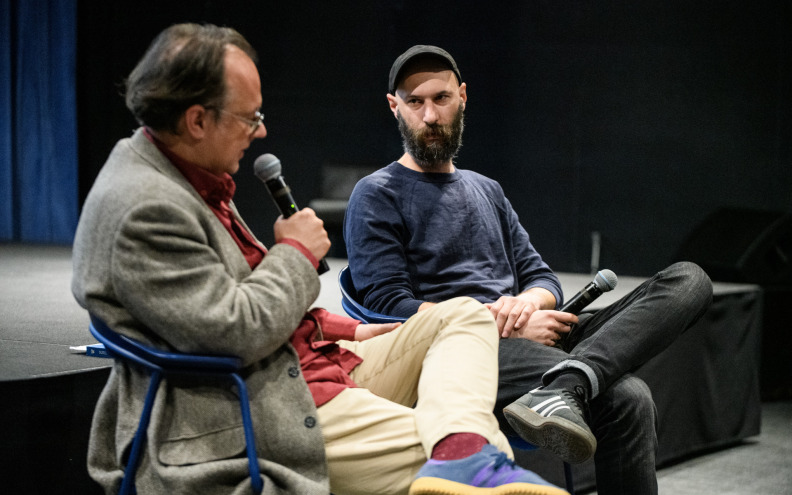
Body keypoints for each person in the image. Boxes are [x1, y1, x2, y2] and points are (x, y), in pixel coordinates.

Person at [71, 25, 570, 495]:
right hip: (262, 404)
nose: (260, 132)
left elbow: (229, 297)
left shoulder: (185, 174)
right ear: (198, 120)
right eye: (251, 118)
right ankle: (467, 453)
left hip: (312, 365)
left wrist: (345, 328)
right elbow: (235, 331)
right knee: (493, 470)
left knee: (460, 314)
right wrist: (294, 253)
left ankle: (462, 448)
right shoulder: (147, 207)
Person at [343, 44, 714, 495]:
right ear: (394, 107)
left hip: (531, 337)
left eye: (440, 98)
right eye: (414, 102)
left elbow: (542, 278)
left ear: (462, 96)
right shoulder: (376, 193)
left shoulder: (487, 189)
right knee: (627, 396)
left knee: (689, 280)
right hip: (460, 354)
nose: (430, 115)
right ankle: (571, 381)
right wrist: (495, 325)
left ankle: (569, 382)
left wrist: (526, 304)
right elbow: (388, 307)